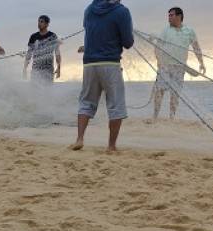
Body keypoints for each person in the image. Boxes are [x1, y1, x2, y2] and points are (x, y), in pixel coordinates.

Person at [71, 0, 134, 153]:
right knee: (115, 104)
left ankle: (79, 138)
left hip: (89, 64)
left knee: (86, 101)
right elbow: (128, 42)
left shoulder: (89, 9)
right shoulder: (122, 11)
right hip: (110, 63)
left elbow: (91, 32)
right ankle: (111, 146)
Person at [152, 7, 205, 121]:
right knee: (159, 91)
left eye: (171, 15)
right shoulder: (165, 30)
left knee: (175, 93)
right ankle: (155, 116)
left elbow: (196, 47)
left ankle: (172, 118)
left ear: (179, 16)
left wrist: (201, 63)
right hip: (165, 66)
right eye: (169, 15)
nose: (169, 18)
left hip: (180, 67)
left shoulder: (189, 31)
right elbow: (157, 47)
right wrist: (158, 61)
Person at [23, 15, 61, 85]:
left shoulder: (52, 36)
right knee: (35, 90)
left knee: (48, 90)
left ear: (47, 24)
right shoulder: (33, 36)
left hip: (48, 69)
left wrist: (59, 67)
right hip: (36, 69)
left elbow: (57, 52)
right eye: (38, 21)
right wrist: (25, 68)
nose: (39, 23)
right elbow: (29, 53)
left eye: (41, 22)